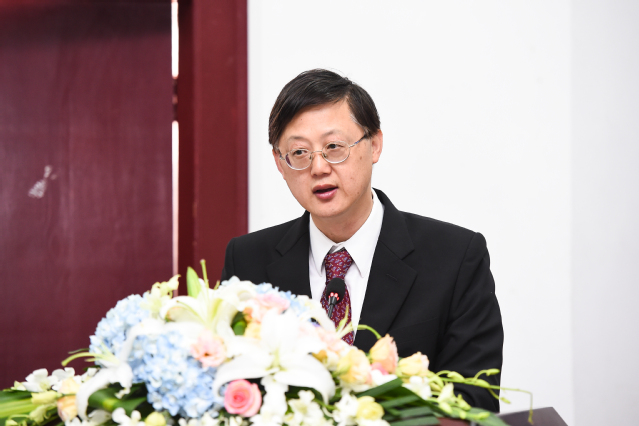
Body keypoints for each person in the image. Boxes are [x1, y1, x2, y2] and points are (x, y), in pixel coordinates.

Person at [221, 69, 503, 411]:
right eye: (299, 152)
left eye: (334, 147)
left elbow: (473, 404)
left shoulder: (455, 258)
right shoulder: (247, 261)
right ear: (280, 164)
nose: (318, 167)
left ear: (375, 145)